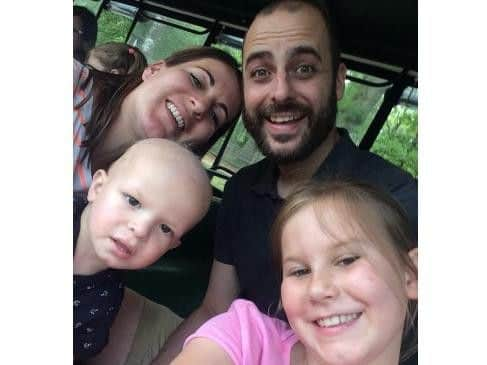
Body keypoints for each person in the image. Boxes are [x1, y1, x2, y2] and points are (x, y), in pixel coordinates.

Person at [154, 1, 417, 364]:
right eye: (261, 73)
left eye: (304, 68)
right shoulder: (242, 190)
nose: (280, 92)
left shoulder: (405, 202)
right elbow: (216, 308)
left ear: (338, 81)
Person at [171, 180, 418, 365]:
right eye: (299, 271)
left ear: (412, 273)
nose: (318, 288)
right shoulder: (245, 337)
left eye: (346, 260)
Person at [74, 138, 212, 362]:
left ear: (170, 247)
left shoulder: (104, 301)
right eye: (133, 201)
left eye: (165, 228)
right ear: (98, 187)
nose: (140, 229)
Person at [74, 46, 243, 192]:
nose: (200, 106)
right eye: (196, 80)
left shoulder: (153, 203)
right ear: (154, 70)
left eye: (215, 116)